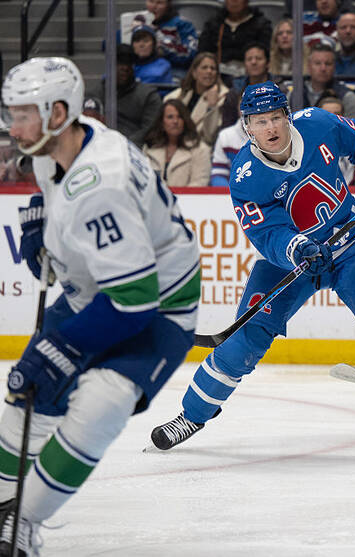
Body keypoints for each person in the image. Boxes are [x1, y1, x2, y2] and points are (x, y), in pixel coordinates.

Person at [149, 81, 355, 451]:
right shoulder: (245, 175)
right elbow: (266, 233)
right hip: (292, 264)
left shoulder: (317, 123)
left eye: (276, 118)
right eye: (260, 121)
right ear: (246, 126)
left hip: (353, 247)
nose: (271, 128)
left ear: (288, 115)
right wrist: (298, 248)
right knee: (241, 344)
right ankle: (192, 416)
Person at [0, 56, 200, 555]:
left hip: (158, 307)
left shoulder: (101, 188)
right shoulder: (66, 138)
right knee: (27, 392)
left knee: (100, 406)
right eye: (11, 112)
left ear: (57, 111)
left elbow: (135, 302)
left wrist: (64, 344)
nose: (12, 125)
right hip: (97, 293)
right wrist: (40, 221)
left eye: (23, 114)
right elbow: (52, 183)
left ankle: (20, 521)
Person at [93, 44, 162, 146]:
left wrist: (124, 146)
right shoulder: (96, 94)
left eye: (128, 63)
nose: (124, 68)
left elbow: (150, 130)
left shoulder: (148, 95)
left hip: (136, 151)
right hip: (101, 148)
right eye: (119, 62)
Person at [197, 0, 272, 82]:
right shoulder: (214, 23)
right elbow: (203, 52)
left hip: (250, 75)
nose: (234, 1)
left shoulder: (261, 24)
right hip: (218, 75)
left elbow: (266, 53)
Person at [164, 52, 230, 146]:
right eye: (204, 67)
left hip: (200, 147)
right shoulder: (177, 95)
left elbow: (210, 137)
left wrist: (212, 107)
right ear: (194, 73)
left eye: (213, 68)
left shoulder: (224, 97)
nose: (209, 71)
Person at [143, 99, 211, 186]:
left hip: (188, 198)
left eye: (179, 117)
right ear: (162, 123)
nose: (175, 121)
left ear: (185, 121)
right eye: (170, 117)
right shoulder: (149, 147)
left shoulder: (200, 149)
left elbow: (200, 182)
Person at [292, 43, 355, 119]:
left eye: (328, 64)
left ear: (334, 67)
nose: (323, 68)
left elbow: (351, 130)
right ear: (309, 66)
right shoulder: (294, 94)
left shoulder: (347, 98)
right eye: (318, 63)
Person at [141, 0, 198, 79]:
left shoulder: (182, 24)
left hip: (173, 71)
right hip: (142, 71)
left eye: (159, 2)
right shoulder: (136, 23)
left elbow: (190, 54)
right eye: (151, 1)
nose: (154, 6)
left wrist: (163, 48)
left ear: (168, 5)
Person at [211, 93, 248, 186]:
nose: (248, 110)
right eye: (244, 105)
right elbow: (219, 174)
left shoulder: (273, 136)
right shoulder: (225, 136)